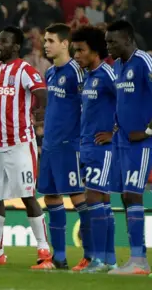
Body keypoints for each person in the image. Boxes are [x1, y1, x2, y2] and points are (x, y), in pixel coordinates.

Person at [0, 26, 51, 267]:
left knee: (28, 196)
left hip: (20, 145)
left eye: (2, 42)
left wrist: (41, 116)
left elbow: (42, 93)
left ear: (15, 46)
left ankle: (44, 252)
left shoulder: (25, 70)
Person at [34, 23, 90, 271]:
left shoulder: (76, 71)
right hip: (50, 145)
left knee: (78, 197)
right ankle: (58, 258)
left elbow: (86, 106)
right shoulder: (50, 73)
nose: (46, 44)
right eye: (45, 40)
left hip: (70, 145)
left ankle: (91, 255)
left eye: (51, 40)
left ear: (65, 43)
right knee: (52, 197)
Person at [106, 20, 152, 275]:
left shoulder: (143, 61)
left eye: (112, 41)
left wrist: (147, 130)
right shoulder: (119, 66)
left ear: (128, 39)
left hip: (142, 141)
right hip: (121, 140)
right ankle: (136, 258)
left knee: (134, 194)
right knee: (126, 196)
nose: (108, 46)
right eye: (106, 42)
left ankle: (139, 262)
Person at [71, 25, 118, 272]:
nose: (76, 55)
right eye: (75, 50)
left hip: (103, 148)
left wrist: (114, 132)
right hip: (88, 145)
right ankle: (109, 259)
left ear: (95, 51)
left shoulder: (108, 74)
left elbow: (129, 103)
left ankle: (98, 259)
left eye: (81, 50)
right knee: (104, 202)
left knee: (93, 198)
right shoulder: (88, 77)